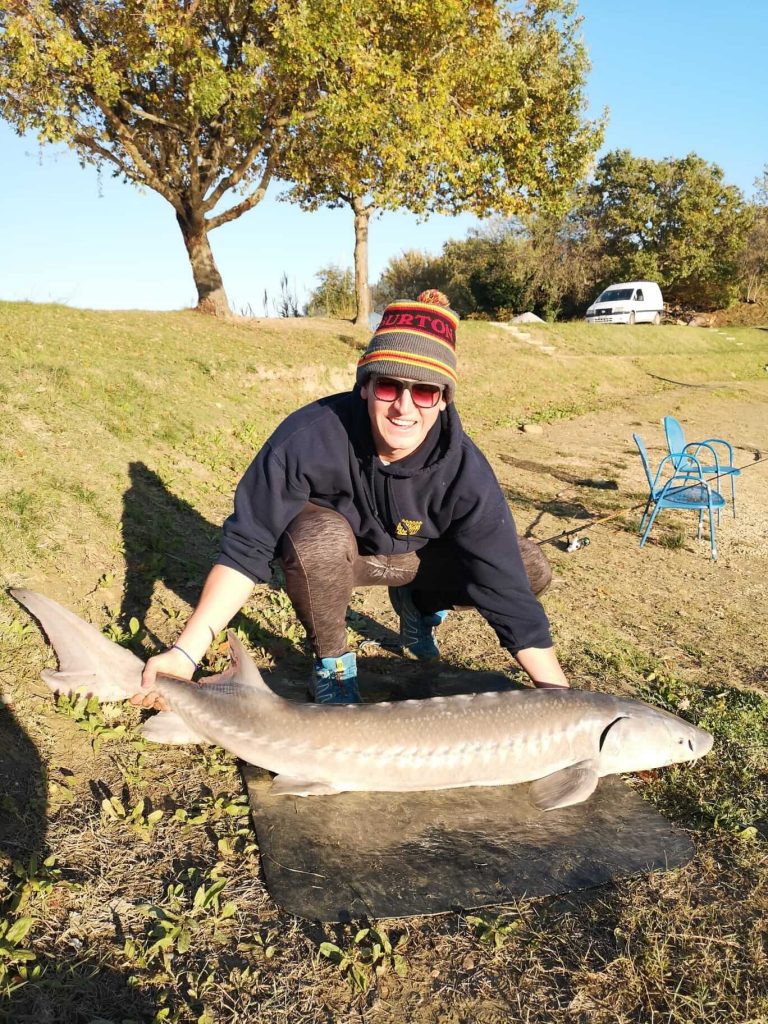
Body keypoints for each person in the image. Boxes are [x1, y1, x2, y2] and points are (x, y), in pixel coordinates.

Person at [135, 290, 568, 708]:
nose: (404, 407)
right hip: (337, 559)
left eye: (423, 392)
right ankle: (332, 664)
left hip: (418, 560)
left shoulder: (465, 470)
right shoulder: (309, 436)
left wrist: (560, 698)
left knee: (527, 566)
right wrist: (185, 653)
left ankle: (419, 604)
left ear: (443, 400)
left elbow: (506, 589)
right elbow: (246, 548)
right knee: (318, 536)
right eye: (389, 387)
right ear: (365, 386)